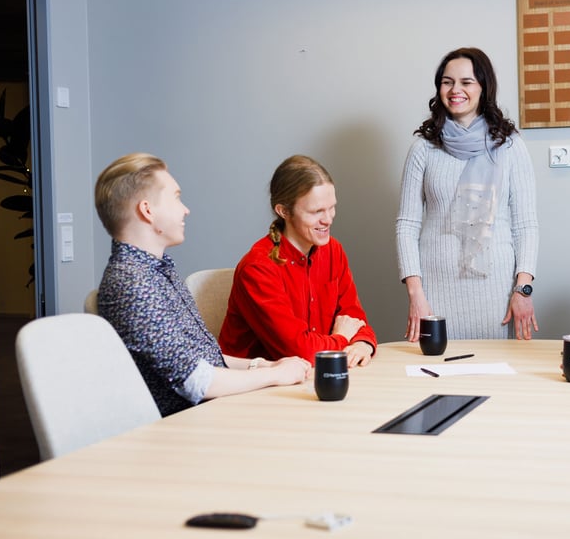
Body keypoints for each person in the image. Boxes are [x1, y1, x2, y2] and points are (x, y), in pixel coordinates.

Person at [95, 153, 311, 417]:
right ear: (147, 210)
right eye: (175, 197)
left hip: (206, 413)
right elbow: (196, 381)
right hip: (182, 426)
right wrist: (276, 375)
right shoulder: (132, 284)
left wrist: (262, 366)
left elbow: (203, 359)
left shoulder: (158, 270)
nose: (185, 209)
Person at [396, 47, 539, 342]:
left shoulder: (510, 146)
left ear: (483, 88)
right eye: (447, 82)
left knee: (496, 378)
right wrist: (415, 294)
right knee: (435, 374)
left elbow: (526, 225)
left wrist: (522, 289)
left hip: (496, 291)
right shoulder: (423, 147)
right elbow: (406, 225)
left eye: (466, 82)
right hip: (434, 290)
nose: (455, 90)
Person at [219, 155, 377, 367]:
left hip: (312, 376)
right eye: (317, 211)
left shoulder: (333, 250)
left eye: (332, 207)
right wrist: (342, 339)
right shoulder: (258, 268)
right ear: (284, 211)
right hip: (255, 387)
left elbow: (355, 318)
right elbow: (299, 351)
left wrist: (363, 344)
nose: (328, 219)